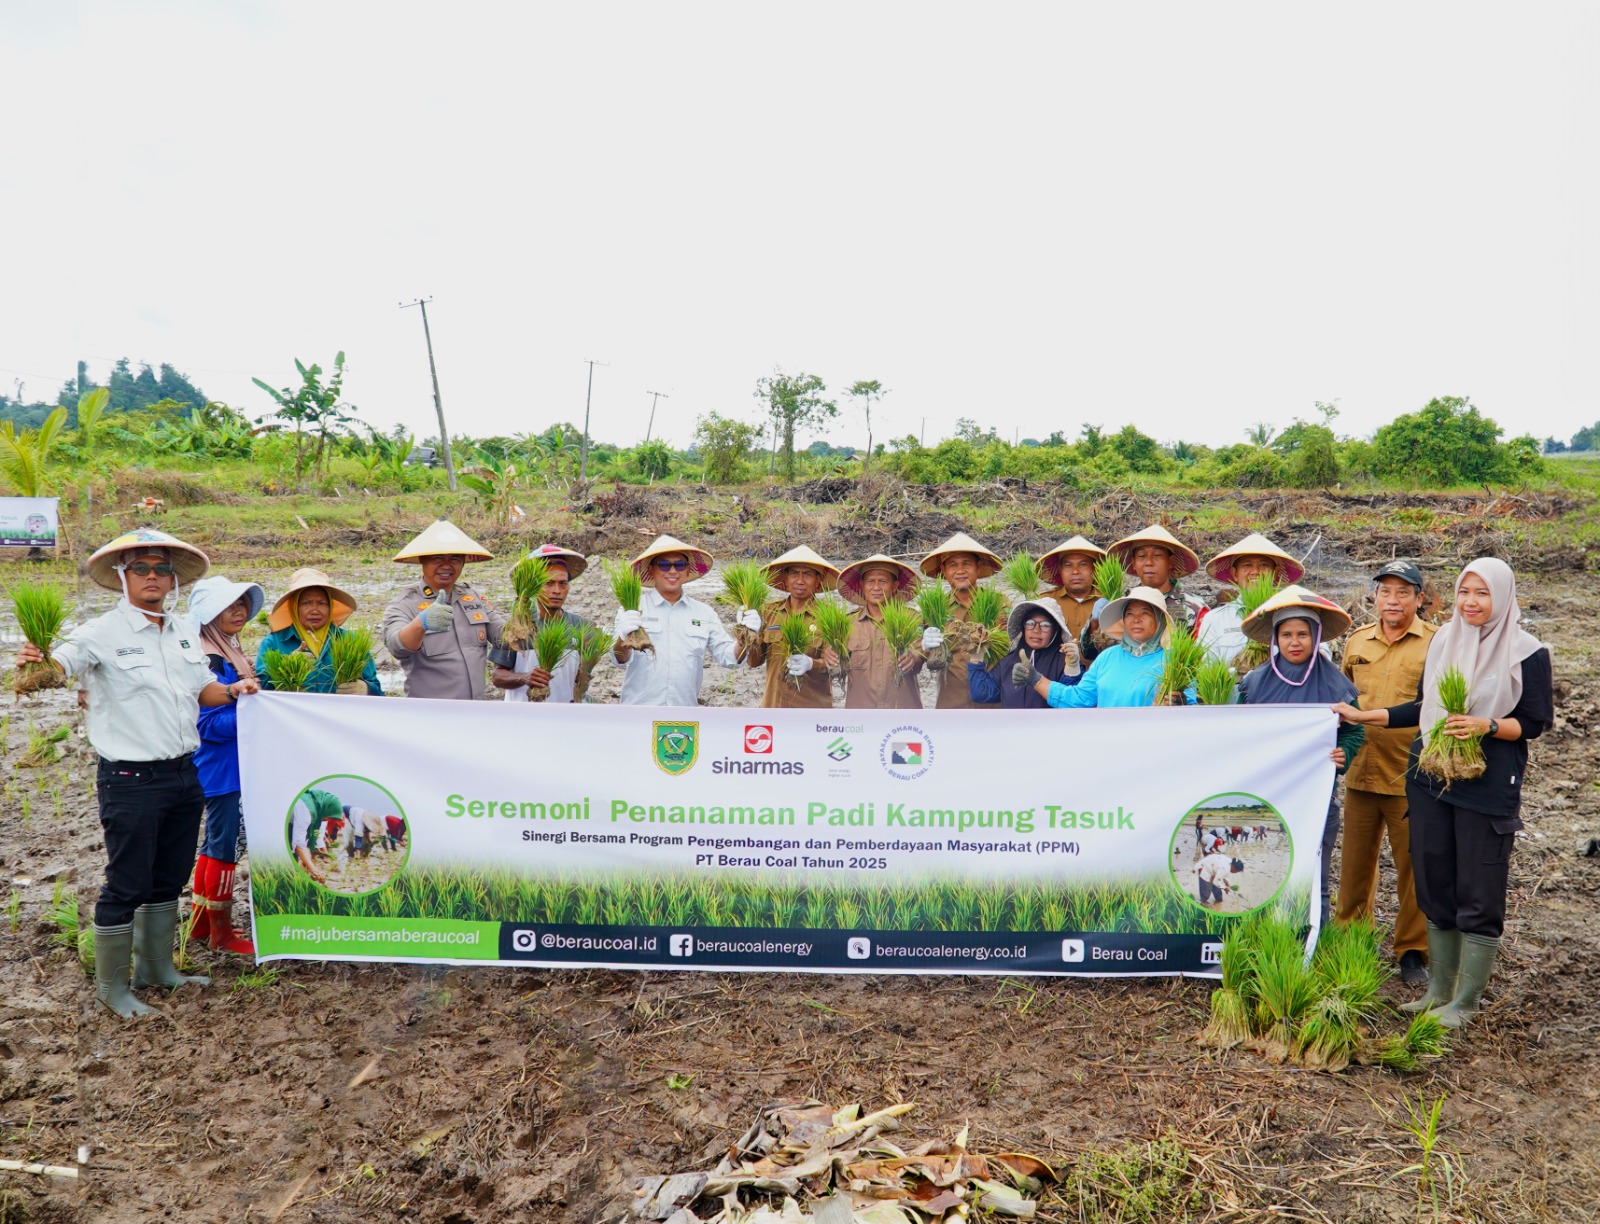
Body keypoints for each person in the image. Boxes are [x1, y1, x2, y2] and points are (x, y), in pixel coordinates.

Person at [11, 529, 259, 1017]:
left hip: (185, 775)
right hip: (129, 779)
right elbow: (57, 668)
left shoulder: (184, 631)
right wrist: (33, 664)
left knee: (169, 876)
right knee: (127, 883)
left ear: (172, 580)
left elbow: (203, 689)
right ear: (123, 577)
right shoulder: (99, 633)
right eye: (141, 569)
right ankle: (113, 987)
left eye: (160, 569)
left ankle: (156, 969)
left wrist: (235, 691)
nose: (152, 577)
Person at [1335, 558, 1552, 1028]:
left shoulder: (1526, 651)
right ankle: (1438, 990)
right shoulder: (1445, 642)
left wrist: (1487, 725)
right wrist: (1364, 717)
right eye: (1464, 592)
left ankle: (1466, 1001)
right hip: (1429, 778)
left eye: (1482, 593)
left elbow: (1535, 722)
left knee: (1478, 888)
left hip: (1488, 786)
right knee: (1435, 880)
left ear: (1502, 596)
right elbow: (1423, 707)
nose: (1471, 602)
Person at [1238, 586, 1364, 930]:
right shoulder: (1253, 684)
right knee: (1261, 873)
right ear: (1275, 639)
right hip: (1264, 799)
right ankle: (1262, 942)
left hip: (1317, 801)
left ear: (1316, 637)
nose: (1295, 642)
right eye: (1287, 635)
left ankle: (1312, 945)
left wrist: (1345, 753)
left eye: (1303, 634)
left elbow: (1355, 730)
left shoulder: (1335, 684)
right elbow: (1233, 732)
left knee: (1313, 878)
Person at [1338, 560, 1437, 985]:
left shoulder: (1436, 643)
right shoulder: (1358, 641)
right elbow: (1341, 702)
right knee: (1355, 865)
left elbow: (1433, 706)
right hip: (1361, 773)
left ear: (1420, 599)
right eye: (1385, 592)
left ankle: (1412, 951)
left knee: (1413, 867)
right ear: (1374, 597)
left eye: (1403, 593)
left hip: (1409, 774)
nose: (1392, 600)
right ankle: (1350, 939)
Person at [187, 575, 267, 956]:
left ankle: (200, 926)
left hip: (228, 765)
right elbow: (207, 725)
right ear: (208, 615)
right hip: (221, 767)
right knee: (223, 846)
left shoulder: (228, 652)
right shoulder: (209, 660)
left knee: (211, 843)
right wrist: (259, 713)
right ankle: (222, 933)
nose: (238, 612)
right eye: (228, 607)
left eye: (242, 606)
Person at [612, 534, 741, 706]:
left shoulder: (704, 613)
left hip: (684, 716)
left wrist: (746, 633)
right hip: (639, 713)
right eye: (664, 565)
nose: (672, 571)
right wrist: (623, 636)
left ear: (687, 570)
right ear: (651, 570)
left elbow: (730, 658)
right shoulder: (632, 610)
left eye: (679, 565)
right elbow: (618, 659)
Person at [383, 520, 506, 700]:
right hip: (431, 715)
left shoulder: (472, 598)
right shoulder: (405, 603)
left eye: (455, 558)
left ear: (463, 562)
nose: (447, 565)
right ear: (422, 561)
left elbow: (503, 637)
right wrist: (421, 623)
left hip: (474, 712)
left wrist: (526, 617)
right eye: (438, 558)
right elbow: (396, 646)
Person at [1026, 586, 1193, 708]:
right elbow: (1079, 699)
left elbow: (1195, 708)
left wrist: (1182, 704)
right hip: (1110, 745)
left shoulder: (1175, 662)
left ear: (1160, 620)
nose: (1136, 619)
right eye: (1129, 614)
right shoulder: (1107, 657)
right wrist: (1036, 680)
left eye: (1145, 613)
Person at [489, 544, 592, 703]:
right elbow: (497, 676)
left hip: (566, 719)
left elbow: (582, 674)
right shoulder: (517, 627)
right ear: (534, 587)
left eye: (563, 583)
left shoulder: (581, 626)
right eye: (548, 583)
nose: (557, 590)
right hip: (524, 719)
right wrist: (523, 678)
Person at [255, 568, 381, 695]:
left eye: (322, 603)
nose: (315, 610)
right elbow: (261, 690)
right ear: (294, 607)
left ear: (330, 607)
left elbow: (377, 690)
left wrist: (366, 688)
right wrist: (289, 668)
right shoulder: (274, 643)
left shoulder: (351, 642)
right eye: (306, 603)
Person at [744, 545, 841, 709]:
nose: (800, 580)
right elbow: (753, 662)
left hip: (812, 712)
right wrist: (748, 634)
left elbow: (836, 666)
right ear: (786, 579)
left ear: (818, 580)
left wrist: (811, 663)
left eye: (808, 574)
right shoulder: (768, 613)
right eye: (794, 573)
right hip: (773, 706)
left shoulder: (830, 617)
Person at [917, 532, 1003, 709]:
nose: (960, 570)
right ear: (944, 571)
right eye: (953, 565)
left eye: (967, 563)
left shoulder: (999, 603)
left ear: (978, 568)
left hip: (992, 701)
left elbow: (1010, 645)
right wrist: (923, 645)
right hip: (951, 702)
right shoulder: (934, 608)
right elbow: (916, 651)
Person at [1197, 532, 1305, 668]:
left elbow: (1319, 655)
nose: (1255, 572)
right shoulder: (1215, 619)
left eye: (1264, 565)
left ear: (1275, 573)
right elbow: (1206, 669)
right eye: (1247, 565)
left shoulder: (1297, 615)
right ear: (1235, 574)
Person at [832, 554, 923, 710]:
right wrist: (830, 657)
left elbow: (923, 654)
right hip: (860, 717)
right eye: (870, 582)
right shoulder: (846, 623)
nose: (876, 587)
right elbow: (835, 664)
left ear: (895, 586)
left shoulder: (912, 619)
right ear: (861, 585)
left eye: (883, 581)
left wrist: (915, 656)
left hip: (903, 715)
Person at [967, 598, 1079, 708]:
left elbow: (1071, 701)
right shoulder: (1008, 662)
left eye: (1045, 625)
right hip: (1014, 726)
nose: (1036, 630)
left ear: (1055, 630)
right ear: (1023, 627)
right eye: (1030, 623)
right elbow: (981, 694)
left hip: (1050, 726)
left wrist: (1072, 669)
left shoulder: (1066, 661)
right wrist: (976, 658)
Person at [1037, 535, 1106, 640]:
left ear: (1095, 569)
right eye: (1068, 565)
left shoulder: (1107, 601)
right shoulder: (1046, 601)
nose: (1075, 571)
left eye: (1083, 564)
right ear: (1059, 569)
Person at [290, 788, 343, 884]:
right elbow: (299, 843)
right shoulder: (307, 811)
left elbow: (315, 836)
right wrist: (315, 870)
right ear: (328, 810)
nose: (328, 820)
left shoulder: (318, 816)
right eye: (330, 817)